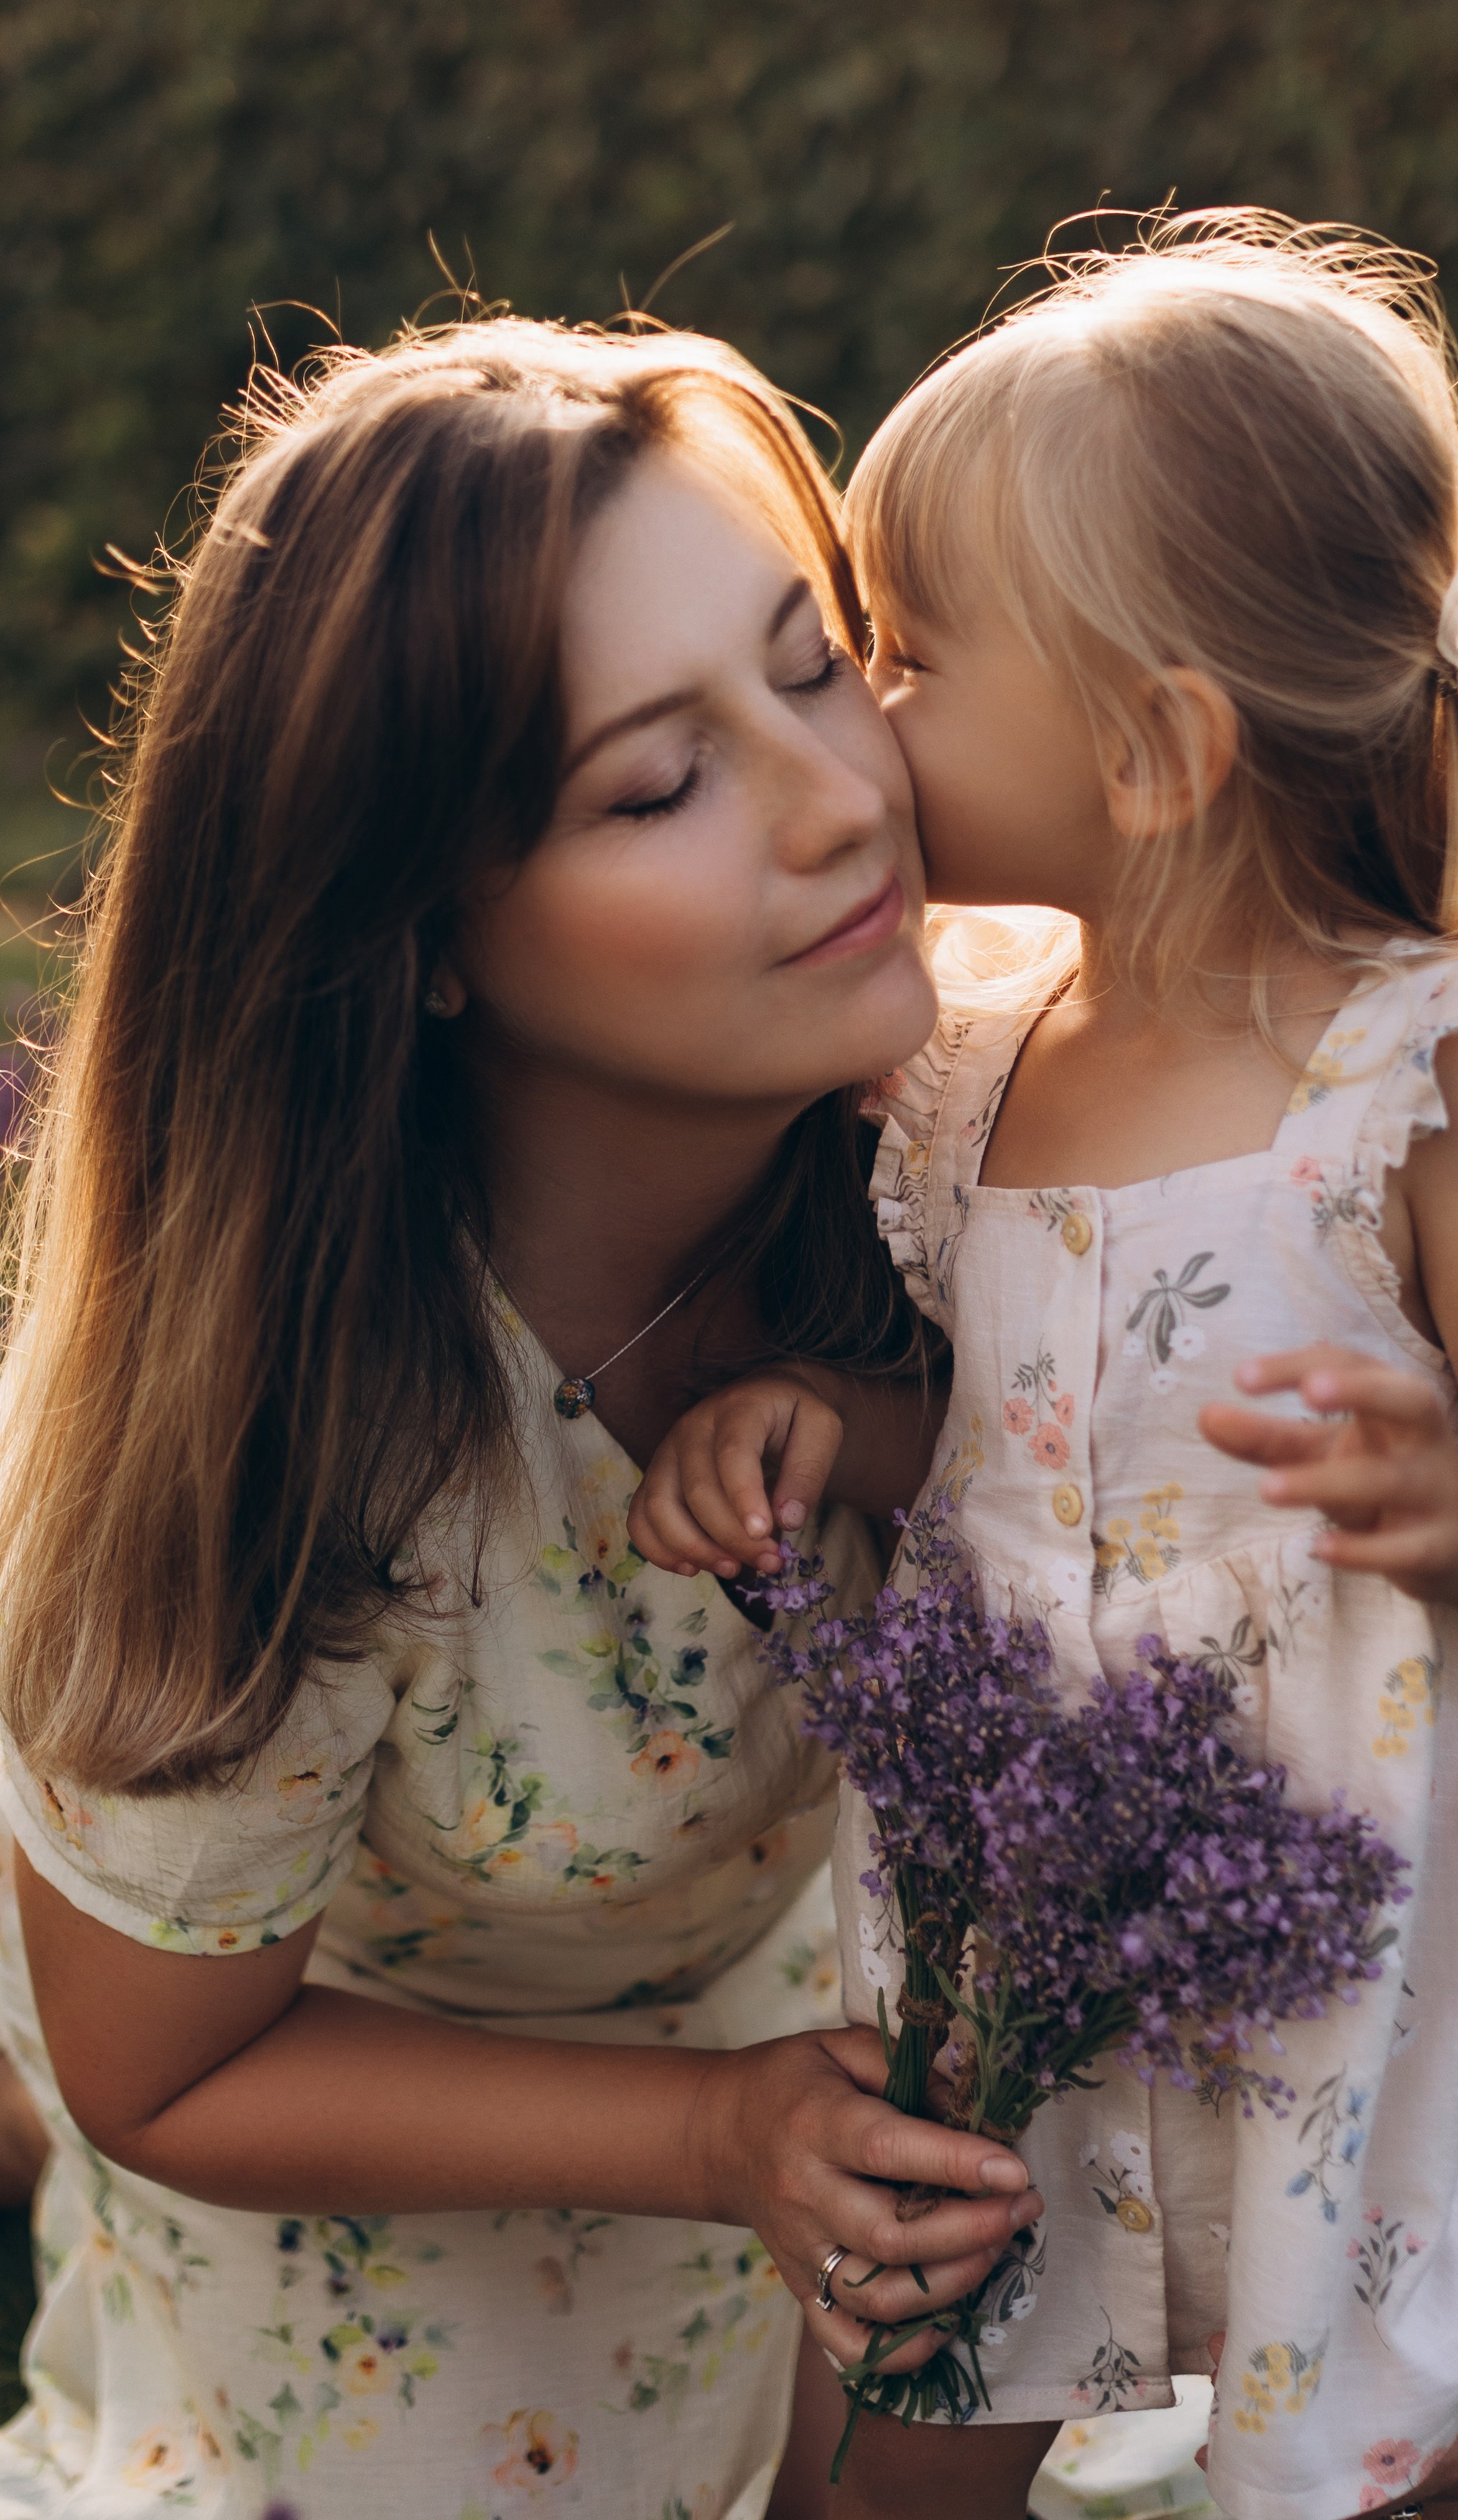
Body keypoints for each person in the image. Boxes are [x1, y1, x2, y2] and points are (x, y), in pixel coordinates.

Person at [629, 213, 1458, 2520]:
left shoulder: (1415, 1072)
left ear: (1151, 751)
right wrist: (847, 1431)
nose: (861, 716)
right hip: (1014, 1876)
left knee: (1387, 2439)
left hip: (1316, 1912)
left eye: (905, 656)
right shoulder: (982, 1055)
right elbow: (1018, 1430)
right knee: (936, 2370)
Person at [0, 315, 1050, 2520]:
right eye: (656, 783)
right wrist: (714, 2136)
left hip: (781, 1998)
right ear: (424, 935)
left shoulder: (992, 1131)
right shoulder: (289, 1420)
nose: (841, 797)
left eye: (813, 664)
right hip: (342, 2090)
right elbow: (163, 2068)